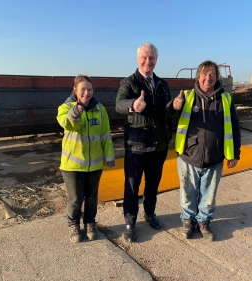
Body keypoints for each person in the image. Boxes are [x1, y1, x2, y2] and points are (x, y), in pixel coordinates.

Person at [166, 60, 241, 241]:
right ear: (198, 77)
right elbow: (169, 117)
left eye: (212, 75)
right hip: (188, 155)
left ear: (216, 78)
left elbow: (235, 127)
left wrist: (235, 154)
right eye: (205, 74)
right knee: (187, 192)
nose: (208, 78)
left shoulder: (225, 99)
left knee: (209, 194)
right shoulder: (188, 97)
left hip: (214, 157)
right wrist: (173, 107)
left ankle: (204, 222)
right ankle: (187, 221)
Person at [115, 42, 172, 242]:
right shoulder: (129, 83)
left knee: (152, 184)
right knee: (132, 186)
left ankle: (150, 213)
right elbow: (119, 104)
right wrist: (133, 104)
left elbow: (167, 111)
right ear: (138, 59)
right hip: (136, 145)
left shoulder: (163, 84)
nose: (148, 61)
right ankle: (130, 222)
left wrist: (175, 106)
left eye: (152, 58)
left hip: (158, 145)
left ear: (156, 60)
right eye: (144, 58)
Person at [57, 75, 115, 243]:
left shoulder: (100, 109)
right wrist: (75, 113)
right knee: (75, 199)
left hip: (95, 165)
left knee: (91, 197)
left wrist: (109, 156)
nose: (86, 93)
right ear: (75, 90)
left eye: (89, 89)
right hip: (72, 165)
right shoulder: (65, 108)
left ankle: (90, 223)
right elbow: (66, 124)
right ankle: (73, 225)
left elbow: (105, 135)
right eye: (82, 89)